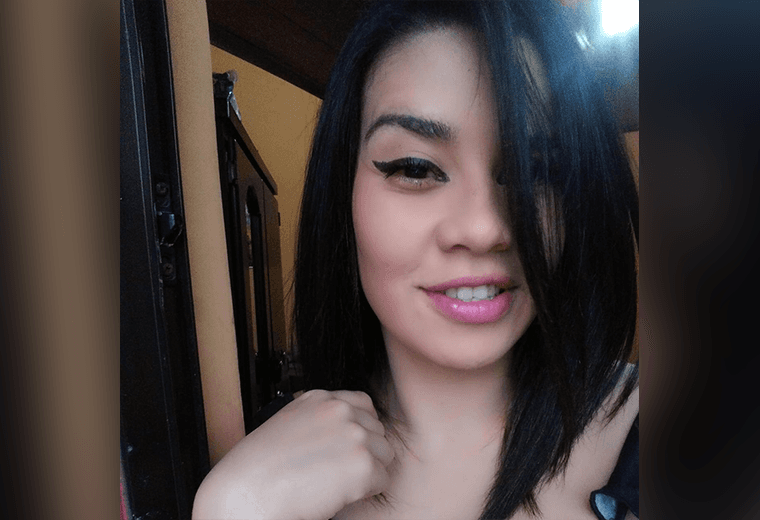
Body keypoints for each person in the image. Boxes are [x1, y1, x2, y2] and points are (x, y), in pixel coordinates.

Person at [192, 1, 639, 519]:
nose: (484, 228)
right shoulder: (263, 465)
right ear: (343, 195)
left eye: (534, 169)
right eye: (415, 168)